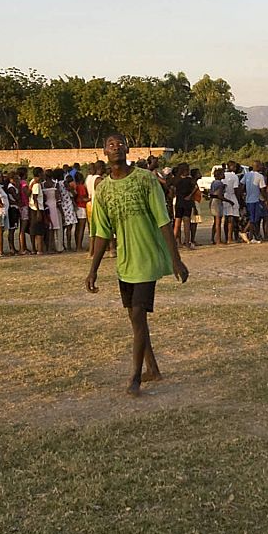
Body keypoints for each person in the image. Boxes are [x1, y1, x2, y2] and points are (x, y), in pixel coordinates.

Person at [85, 131, 189, 396]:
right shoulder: (104, 189)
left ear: (128, 149)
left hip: (147, 259)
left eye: (121, 143)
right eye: (111, 145)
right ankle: (152, 367)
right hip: (125, 262)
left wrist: (176, 260)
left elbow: (163, 220)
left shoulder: (145, 180)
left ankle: (134, 377)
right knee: (135, 318)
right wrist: (93, 270)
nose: (116, 147)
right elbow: (101, 232)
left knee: (139, 315)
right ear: (104, 153)